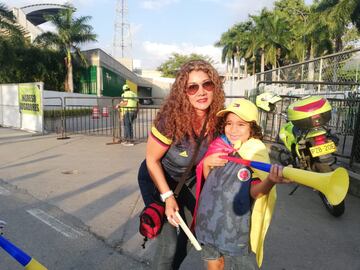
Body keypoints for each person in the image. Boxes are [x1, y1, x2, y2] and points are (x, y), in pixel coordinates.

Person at [137, 59, 225, 270]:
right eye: (192, 87)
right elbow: (152, 160)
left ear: (215, 87)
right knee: (169, 243)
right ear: (183, 92)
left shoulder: (219, 119)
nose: (201, 92)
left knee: (191, 232)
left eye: (207, 84)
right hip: (157, 177)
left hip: (188, 180)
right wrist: (167, 197)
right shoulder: (170, 120)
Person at [194, 98, 290, 270]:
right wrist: (207, 163)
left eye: (241, 124)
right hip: (211, 223)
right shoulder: (221, 146)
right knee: (213, 262)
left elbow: (254, 192)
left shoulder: (254, 151)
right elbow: (212, 184)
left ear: (252, 127)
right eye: (229, 123)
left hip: (237, 230)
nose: (233, 129)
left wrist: (269, 181)